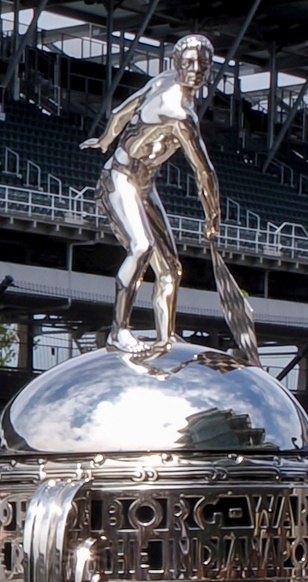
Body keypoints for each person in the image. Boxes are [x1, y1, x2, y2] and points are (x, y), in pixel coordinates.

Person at [81, 34, 219, 352]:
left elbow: (122, 111)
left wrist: (105, 138)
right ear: (177, 63)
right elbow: (204, 172)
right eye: (189, 63)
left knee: (171, 268)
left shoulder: (164, 82)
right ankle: (119, 331)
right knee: (141, 248)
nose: (195, 70)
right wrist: (213, 217)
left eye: (202, 65)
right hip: (119, 179)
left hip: (144, 186)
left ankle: (165, 336)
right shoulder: (181, 115)